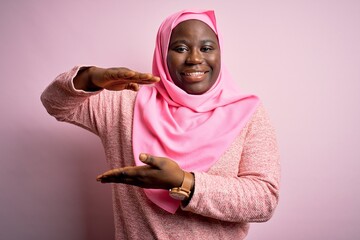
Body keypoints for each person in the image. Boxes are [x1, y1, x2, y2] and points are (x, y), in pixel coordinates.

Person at [41, 9, 280, 240]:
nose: (195, 58)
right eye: (180, 48)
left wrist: (184, 182)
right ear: (163, 52)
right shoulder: (126, 103)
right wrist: (91, 77)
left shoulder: (247, 112)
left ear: (219, 53)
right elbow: (54, 103)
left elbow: (264, 201)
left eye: (206, 48)